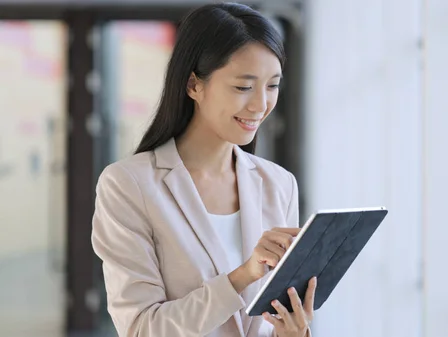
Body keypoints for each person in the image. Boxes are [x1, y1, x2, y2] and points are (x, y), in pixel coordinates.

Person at [91, 3, 316, 337]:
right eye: (243, 86)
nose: (260, 105)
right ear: (194, 85)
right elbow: (141, 328)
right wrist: (244, 275)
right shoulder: (127, 185)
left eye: (272, 85)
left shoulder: (279, 184)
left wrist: (293, 332)